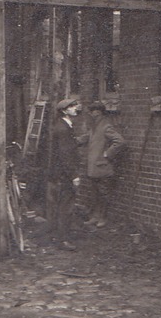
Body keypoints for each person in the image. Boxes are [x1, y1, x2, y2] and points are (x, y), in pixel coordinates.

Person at [48, 97, 82, 250]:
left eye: (75, 106)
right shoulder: (63, 128)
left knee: (63, 205)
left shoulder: (64, 126)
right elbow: (65, 155)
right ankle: (63, 240)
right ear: (64, 110)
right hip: (64, 174)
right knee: (65, 206)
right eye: (72, 106)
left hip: (61, 173)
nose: (76, 108)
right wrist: (73, 175)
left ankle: (60, 236)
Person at [85, 101, 126, 228]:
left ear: (100, 112)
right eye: (92, 112)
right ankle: (95, 217)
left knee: (103, 194)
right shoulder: (95, 126)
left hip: (102, 166)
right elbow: (90, 137)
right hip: (94, 167)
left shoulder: (106, 126)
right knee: (95, 193)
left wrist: (108, 154)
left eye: (96, 112)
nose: (94, 114)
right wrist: (76, 140)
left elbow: (120, 141)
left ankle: (103, 218)